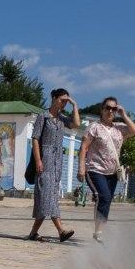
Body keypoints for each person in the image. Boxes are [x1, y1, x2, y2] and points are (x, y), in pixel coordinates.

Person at [78, 96, 135, 241]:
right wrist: (81, 167)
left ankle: (99, 231)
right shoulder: (94, 127)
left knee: (107, 200)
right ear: (102, 110)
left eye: (113, 108)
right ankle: (98, 232)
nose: (110, 111)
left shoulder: (119, 128)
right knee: (103, 196)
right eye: (107, 108)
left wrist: (123, 114)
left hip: (112, 172)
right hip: (95, 169)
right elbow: (84, 147)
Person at [28, 88, 79, 242]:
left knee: (49, 196)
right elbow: (35, 138)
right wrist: (38, 160)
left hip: (57, 162)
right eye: (62, 100)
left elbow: (76, 124)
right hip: (45, 159)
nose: (64, 104)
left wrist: (74, 105)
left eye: (66, 102)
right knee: (46, 195)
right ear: (54, 98)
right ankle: (61, 230)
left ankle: (33, 233)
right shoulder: (43, 116)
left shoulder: (62, 118)